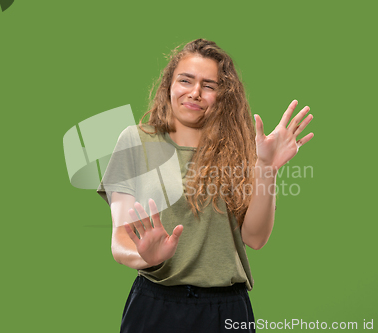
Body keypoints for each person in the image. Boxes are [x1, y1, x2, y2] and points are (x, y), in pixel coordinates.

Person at [97, 38, 314, 333]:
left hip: (225, 310)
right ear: (168, 85)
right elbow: (119, 240)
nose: (195, 93)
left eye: (209, 86)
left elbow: (255, 237)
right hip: (154, 304)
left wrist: (266, 168)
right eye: (185, 80)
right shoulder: (135, 141)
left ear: (222, 95)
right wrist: (145, 256)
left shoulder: (241, 150)